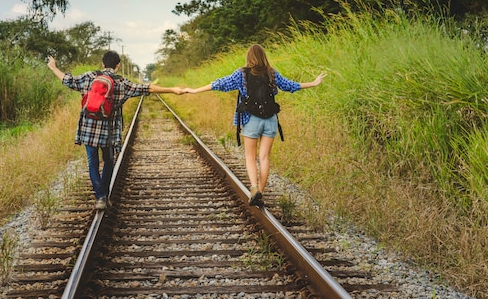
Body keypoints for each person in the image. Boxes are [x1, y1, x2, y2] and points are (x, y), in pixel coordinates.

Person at [184, 44, 326, 206]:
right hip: (270, 120)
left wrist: (195, 90)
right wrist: (313, 83)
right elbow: (290, 85)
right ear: (263, 56)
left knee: (250, 157)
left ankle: (254, 188)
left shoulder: (242, 74)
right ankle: (261, 192)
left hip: (250, 120)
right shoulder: (271, 73)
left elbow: (220, 83)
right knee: (264, 157)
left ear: (249, 57)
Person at [47, 51, 185, 210]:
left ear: (102, 63)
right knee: (108, 161)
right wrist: (172, 89)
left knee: (92, 163)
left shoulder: (90, 77)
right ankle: (104, 196)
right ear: (118, 65)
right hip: (109, 132)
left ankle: (100, 197)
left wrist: (53, 67)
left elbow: (67, 80)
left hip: (88, 129)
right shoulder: (122, 83)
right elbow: (147, 88)